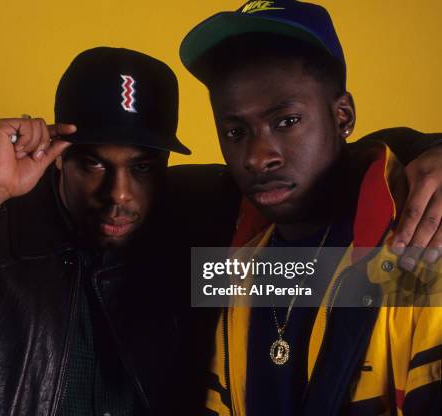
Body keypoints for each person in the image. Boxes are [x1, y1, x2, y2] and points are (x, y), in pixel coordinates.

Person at [0, 45, 440, 416]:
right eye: (94, 161)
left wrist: (427, 150)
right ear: (57, 154)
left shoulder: (203, 229)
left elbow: (330, 196)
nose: (119, 195)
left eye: (143, 168)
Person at [178, 0, 441, 415]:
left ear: (343, 116)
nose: (257, 157)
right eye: (235, 131)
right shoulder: (236, 263)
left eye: (285, 121)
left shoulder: (423, 245)